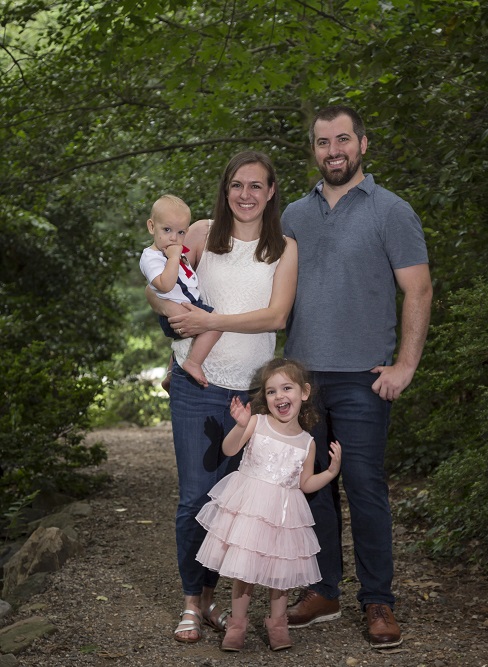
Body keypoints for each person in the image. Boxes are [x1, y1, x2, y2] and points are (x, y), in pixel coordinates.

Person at [281, 105, 433, 649]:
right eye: (323, 143)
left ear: (363, 144)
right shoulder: (293, 215)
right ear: (314, 151)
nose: (333, 151)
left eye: (342, 140)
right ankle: (323, 590)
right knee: (312, 490)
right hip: (302, 382)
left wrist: (406, 366)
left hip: (364, 379)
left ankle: (379, 601)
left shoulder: (391, 211)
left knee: (365, 488)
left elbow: (418, 289)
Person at [145, 151, 298, 644]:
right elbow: (159, 281)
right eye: (237, 185)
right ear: (225, 189)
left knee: (239, 505)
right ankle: (194, 602)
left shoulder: (285, 249)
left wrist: (210, 321)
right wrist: (170, 324)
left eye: (256, 186)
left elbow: (275, 317)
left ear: (271, 191)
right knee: (194, 498)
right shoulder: (200, 234)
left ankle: (224, 600)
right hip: (197, 385)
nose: (246, 195)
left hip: (254, 394)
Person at [195, 358, 342, 652]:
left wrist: (330, 473)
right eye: (271, 391)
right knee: (244, 572)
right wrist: (239, 425)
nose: (279, 397)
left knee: (281, 575)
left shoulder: (307, 442)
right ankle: (237, 625)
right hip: (250, 507)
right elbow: (229, 449)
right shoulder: (257, 423)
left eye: (286, 388)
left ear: (304, 392)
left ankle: (277, 625)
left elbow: (304, 483)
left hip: (284, 514)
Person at [140, 194, 221, 388]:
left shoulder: (171, 253)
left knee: (209, 325)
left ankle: (172, 374)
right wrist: (174, 258)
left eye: (181, 232)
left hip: (189, 304)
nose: (174, 238)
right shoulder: (151, 257)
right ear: (152, 227)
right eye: (167, 230)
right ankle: (192, 363)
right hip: (177, 311)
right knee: (216, 324)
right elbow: (164, 285)